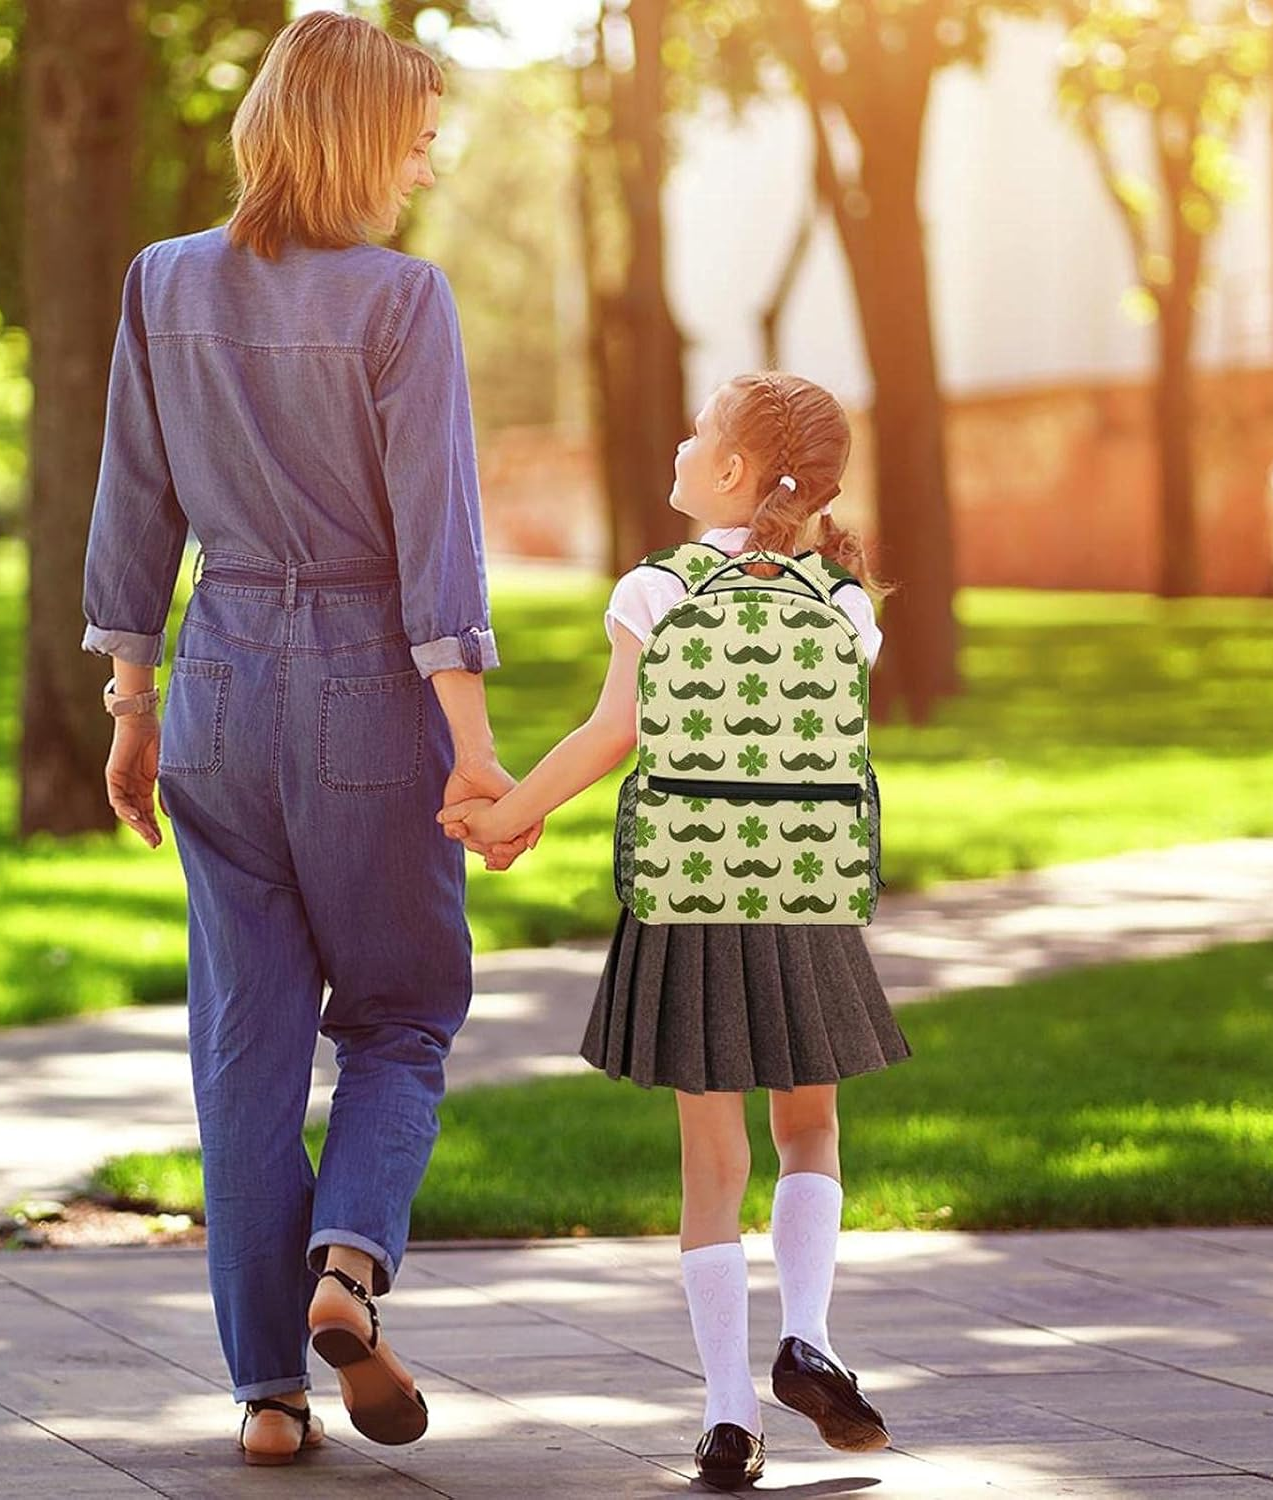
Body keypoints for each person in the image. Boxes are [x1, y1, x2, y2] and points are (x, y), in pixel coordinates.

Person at [80, 13, 538, 1467]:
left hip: (215, 683)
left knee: (247, 1045)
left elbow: (133, 508)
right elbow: (436, 548)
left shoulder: (162, 283)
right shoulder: (405, 301)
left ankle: (267, 1394)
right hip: (365, 689)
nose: (422, 160)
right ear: (352, 135)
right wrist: (473, 748)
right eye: (411, 134)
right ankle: (349, 1269)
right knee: (403, 1014)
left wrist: (132, 704)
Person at [440, 372, 911, 1491]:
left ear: (736, 472)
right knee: (810, 1132)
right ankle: (811, 1334)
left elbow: (613, 733)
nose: (682, 445)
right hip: (806, 899)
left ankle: (728, 1416)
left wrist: (509, 815)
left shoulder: (656, 591)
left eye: (698, 433)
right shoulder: (847, 602)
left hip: (690, 894)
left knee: (713, 1165)